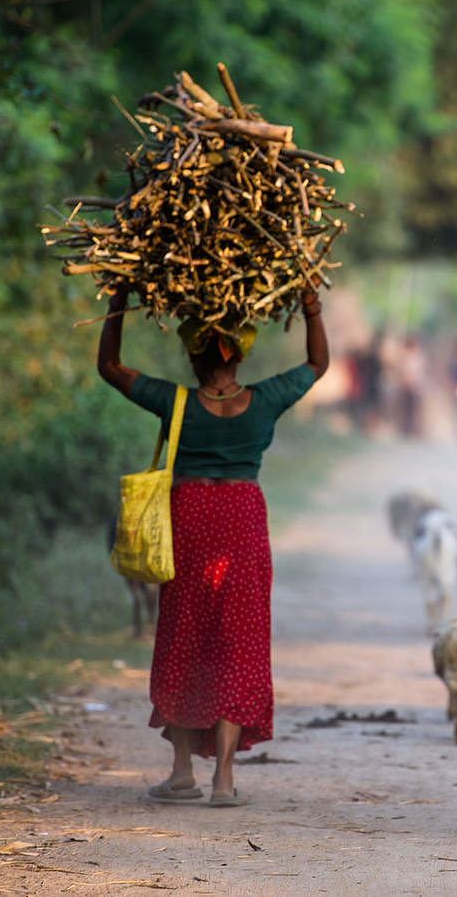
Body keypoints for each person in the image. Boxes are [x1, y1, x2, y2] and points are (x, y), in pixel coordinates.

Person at [97, 286, 328, 807]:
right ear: (239, 354)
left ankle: (182, 772)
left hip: (190, 522)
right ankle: (224, 779)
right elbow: (318, 362)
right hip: (243, 521)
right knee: (237, 643)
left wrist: (118, 303)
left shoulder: (175, 402)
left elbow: (110, 366)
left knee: (183, 638)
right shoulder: (266, 400)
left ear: (192, 357)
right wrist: (311, 305)